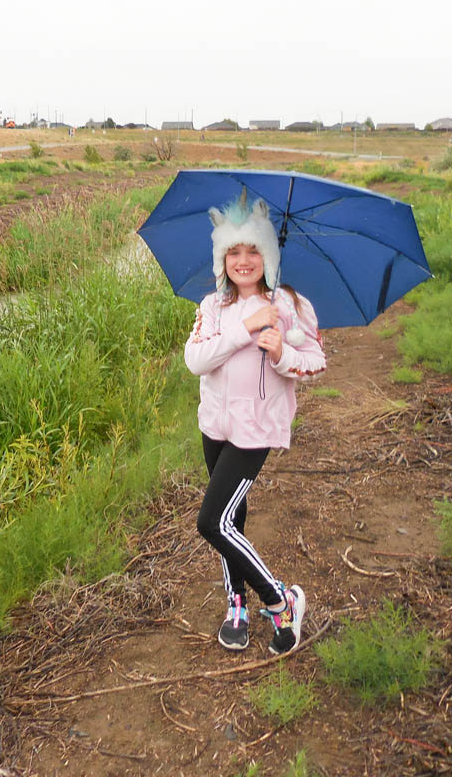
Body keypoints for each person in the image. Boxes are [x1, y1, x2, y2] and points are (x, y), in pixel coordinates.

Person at [184, 189, 326, 654]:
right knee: (233, 519)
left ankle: (281, 600)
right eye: (233, 252)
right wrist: (243, 331)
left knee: (211, 522)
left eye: (253, 251)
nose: (243, 261)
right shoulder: (212, 307)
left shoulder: (289, 306)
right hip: (215, 426)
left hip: (255, 430)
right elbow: (196, 360)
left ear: (268, 253)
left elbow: (315, 360)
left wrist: (282, 352)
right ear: (221, 258)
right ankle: (236, 604)